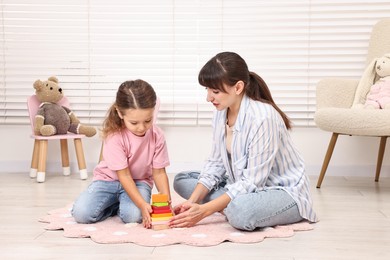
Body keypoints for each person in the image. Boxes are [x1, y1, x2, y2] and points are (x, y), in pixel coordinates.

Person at [169, 52, 318, 231]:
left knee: (241, 212)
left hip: (282, 193)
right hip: (242, 185)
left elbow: (253, 181)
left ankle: (231, 206)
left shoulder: (263, 117)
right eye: (207, 90)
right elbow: (216, 164)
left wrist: (204, 211)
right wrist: (191, 203)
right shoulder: (220, 113)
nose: (208, 98)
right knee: (182, 180)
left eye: (215, 91)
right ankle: (227, 204)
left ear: (238, 87)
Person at [72, 79, 171, 229]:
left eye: (148, 120)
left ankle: (120, 204)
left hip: (139, 181)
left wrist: (166, 202)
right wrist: (142, 204)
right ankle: (113, 206)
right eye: (134, 123)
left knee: (133, 217)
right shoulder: (115, 136)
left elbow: (159, 173)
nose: (141, 128)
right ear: (120, 113)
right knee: (81, 214)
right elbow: (123, 175)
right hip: (108, 181)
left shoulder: (157, 135)